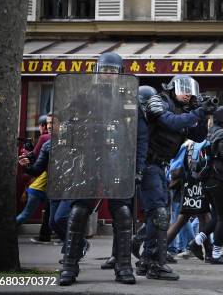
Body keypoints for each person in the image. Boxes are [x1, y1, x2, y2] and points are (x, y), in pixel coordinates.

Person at [57, 52, 141, 286]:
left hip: (117, 162)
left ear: (119, 74)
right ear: (97, 71)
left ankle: (124, 266)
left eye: (113, 71)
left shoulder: (129, 97)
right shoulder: (85, 95)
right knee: (78, 212)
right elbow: (65, 120)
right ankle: (69, 267)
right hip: (89, 161)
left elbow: (138, 134)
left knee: (123, 214)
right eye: (105, 70)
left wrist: (137, 164)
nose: (109, 75)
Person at [139, 74, 214, 279]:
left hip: (160, 166)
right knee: (160, 214)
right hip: (147, 164)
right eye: (183, 89)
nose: (187, 93)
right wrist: (198, 111)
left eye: (190, 90)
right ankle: (155, 264)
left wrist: (204, 113)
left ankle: (147, 260)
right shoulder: (159, 101)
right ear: (171, 88)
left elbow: (198, 136)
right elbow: (171, 122)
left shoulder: (186, 111)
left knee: (158, 214)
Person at [101, 85, 156, 270]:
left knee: (153, 214)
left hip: (147, 171)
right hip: (123, 169)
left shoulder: (155, 121)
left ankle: (147, 255)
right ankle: (117, 255)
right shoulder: (123, 120)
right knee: (122, 214)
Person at [189, 106, 223, 265]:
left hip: (207, 179)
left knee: (216, 216)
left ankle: (196, 242)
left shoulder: (209, 132)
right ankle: (216, 254)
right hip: (218, 179)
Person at [17, 115, 52, 228]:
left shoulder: (44, 139)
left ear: (42, 126)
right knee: (50, 212)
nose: (48, 126)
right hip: (47, 183)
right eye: (48, 123)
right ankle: (45, 234)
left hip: (40, 182)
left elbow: (35, 158)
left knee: (26, 214)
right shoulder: (49, 140)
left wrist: (27, 154)